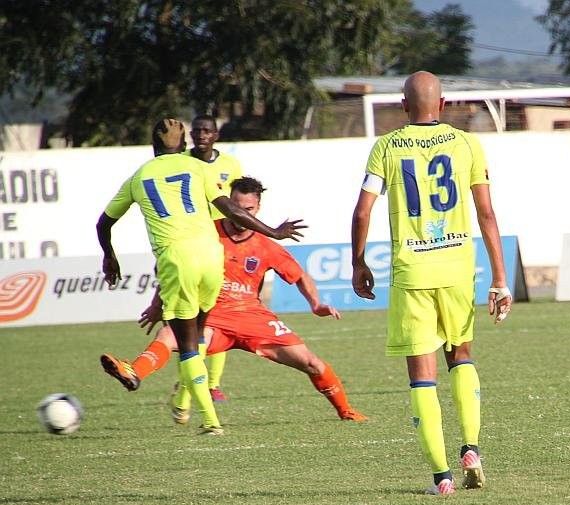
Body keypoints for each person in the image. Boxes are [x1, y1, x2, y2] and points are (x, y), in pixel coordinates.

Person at [350, 71, 512, 495]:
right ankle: (471, 448)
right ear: (442, 104)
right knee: (461, 357)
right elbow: (487, 213)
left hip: (413, 273)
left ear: (403, 105)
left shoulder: (386, 147)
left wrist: (358, 262)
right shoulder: (467, 144)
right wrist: (500, 277)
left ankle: (441, 477)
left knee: (422, 378)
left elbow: (363, 212)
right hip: (457, 270)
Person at [97, 118, 305, 435]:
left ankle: (209, 420)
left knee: (187, 344)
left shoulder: (139, 176)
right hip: (211, 257)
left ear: (153, 144)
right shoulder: (198, 168)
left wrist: (109, 256)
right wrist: (274, 232)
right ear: (184, 145)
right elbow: (232, 209)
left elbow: (103, 224)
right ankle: (181, 400)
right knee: (200, 335)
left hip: (177, 259)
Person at [101, 177, 367, 422]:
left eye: (249, 209)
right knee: (169, 334)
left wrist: (315, 304)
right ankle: (134, 372)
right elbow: (178, 266)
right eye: (236, 207)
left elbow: (300, 276)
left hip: (253, 318)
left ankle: (346, 411)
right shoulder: (206, 233)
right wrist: (157, 304)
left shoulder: (266, 245)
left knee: (312, 363)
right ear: (228, 203)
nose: (241, 214)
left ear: (258, 208)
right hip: (212, 317)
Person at [183, 114, 243, 402]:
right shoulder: (181, 162)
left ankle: (212, 383)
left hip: (221, 243)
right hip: (188, 240)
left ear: (216, 135)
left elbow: (238, 203)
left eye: (207, 131)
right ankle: (190, 378)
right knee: (187, 314)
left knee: (218, 313)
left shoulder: (230, 165)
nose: (201, 135)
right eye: (197, 130)